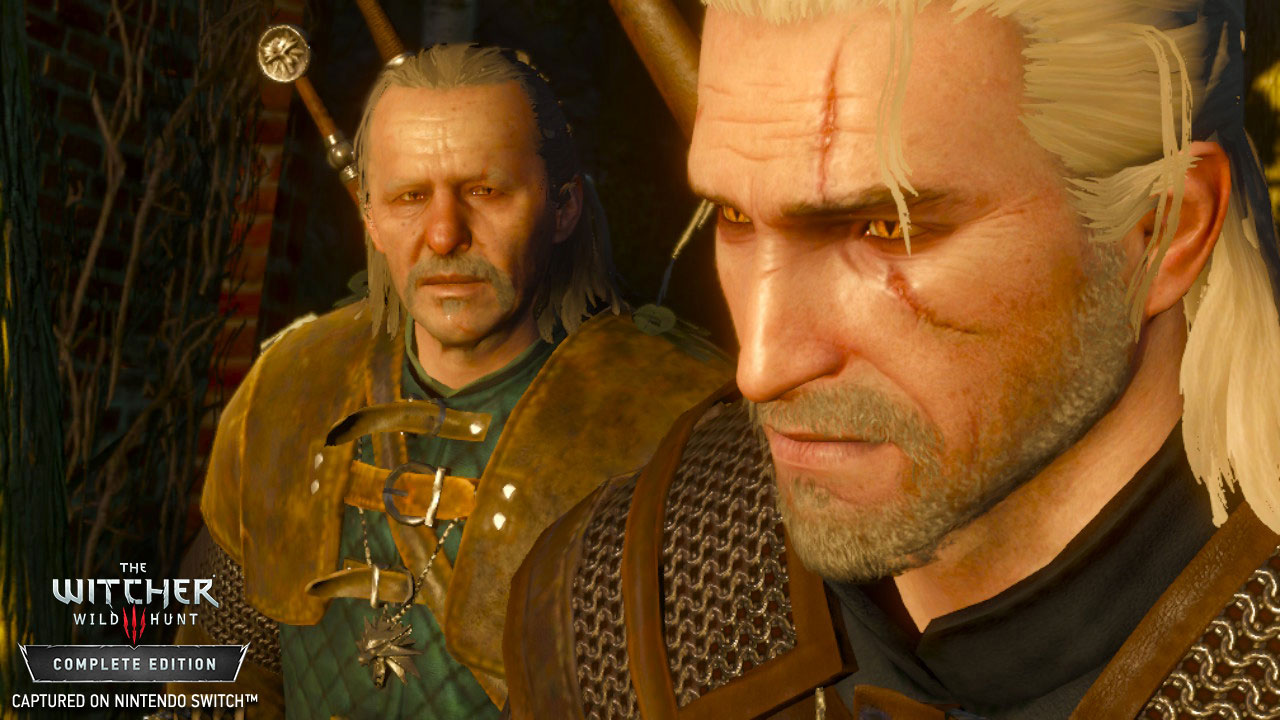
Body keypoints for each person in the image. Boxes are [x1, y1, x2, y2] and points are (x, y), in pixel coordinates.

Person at [503, 1, 1280, 718]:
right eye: (735, 215)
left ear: (1161, 229)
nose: (761, 367)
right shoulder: (621, 597)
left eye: (886, 228)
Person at [170, 44, 730, 719]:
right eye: (410, 197)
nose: (443, 236)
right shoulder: (292, 386)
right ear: (370, 218)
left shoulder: (684, 422)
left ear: (563, 207)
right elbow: (213, 671)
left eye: (484, 191)